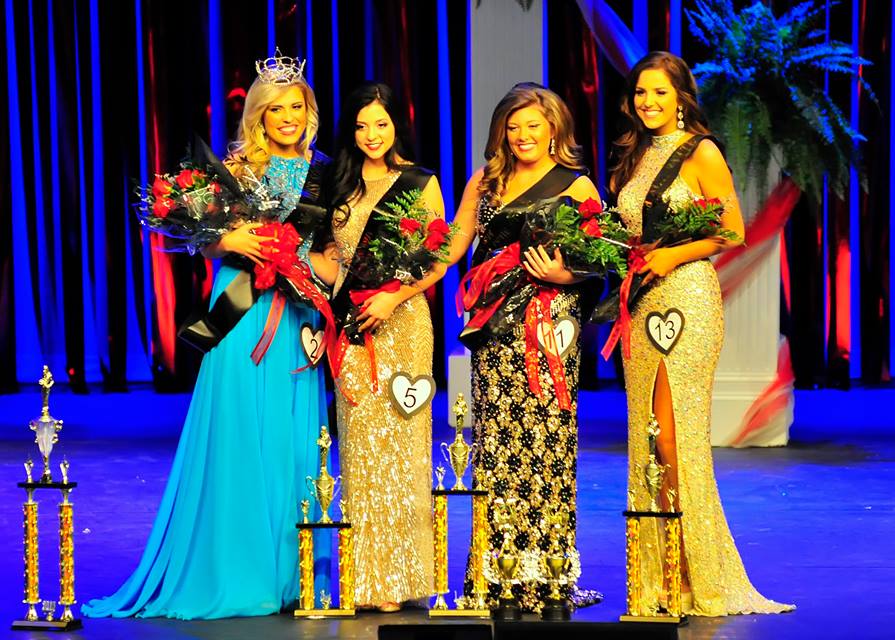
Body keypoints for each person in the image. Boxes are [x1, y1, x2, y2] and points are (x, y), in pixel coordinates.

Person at [83, 52, 332, 619]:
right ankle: (236, 568)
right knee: (239, 429)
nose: (288, 117)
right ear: (259, 114)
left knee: (295, 440)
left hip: (296, 310)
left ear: (308, 112)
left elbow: (334, 251)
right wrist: (233, 241)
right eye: (277, 108)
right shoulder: (237, 168)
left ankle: (293, 576)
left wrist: (299, 259)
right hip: (241, 307)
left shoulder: (323, 170)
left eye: (297, 106)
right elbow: (203, 237)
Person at [608, 51, 794, 616]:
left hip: (687, 297)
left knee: (674, 438)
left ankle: (694, 575)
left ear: (682, 96)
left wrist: (671, 259)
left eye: (660, 93)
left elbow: (731, 229)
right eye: (641, 93)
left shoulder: (702, 152)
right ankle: (660, 576)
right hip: (641, 306)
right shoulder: (635, 154)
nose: (649, 102)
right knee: (647, 439)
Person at [449, 82, 602, 612]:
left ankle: (551, 576)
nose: (522, 135)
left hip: (551, 322)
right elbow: (453, 244)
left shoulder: (578, 187)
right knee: (497, 445)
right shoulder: (486, 180)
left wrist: (565, 272)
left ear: (554, 127)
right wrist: (396, 261)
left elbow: (603, 259)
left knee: (549, 441)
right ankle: (494, 574)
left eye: (533, 125)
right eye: (513, 127)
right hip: (494, 324)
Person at [318, 82, 445, 612]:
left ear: (397, 126)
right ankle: (364, 576)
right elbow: (328, 251)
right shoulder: (337, 183)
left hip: (403, 322)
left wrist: (393, 298)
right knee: (360, 450)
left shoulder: (419, 181)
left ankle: (401, 576)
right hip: (351, 323)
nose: (372, 135)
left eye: (382, 124)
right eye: (362, 125)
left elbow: (436, 260)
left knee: (402, 450)